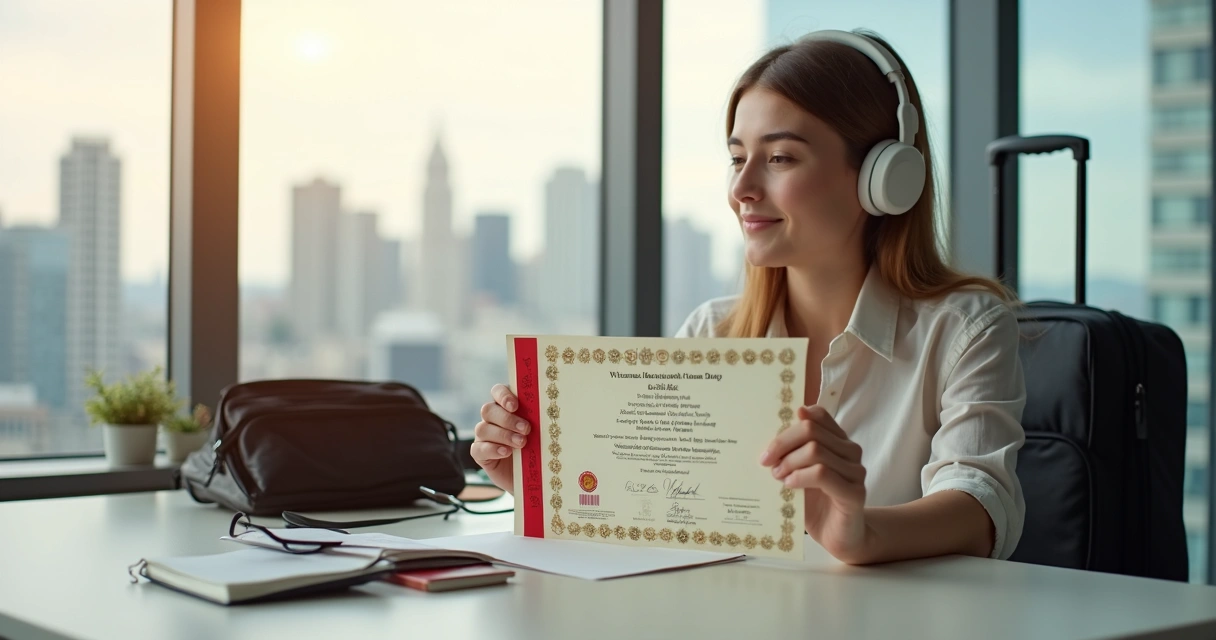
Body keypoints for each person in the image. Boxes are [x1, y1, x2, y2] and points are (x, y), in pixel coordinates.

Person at [471, 29, 1026, 566]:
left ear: (881, 177)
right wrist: (541, 484)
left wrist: (858, 534)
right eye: (738, 158)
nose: (741, 190)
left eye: (780, 158)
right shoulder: (711, 332)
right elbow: (660, 513)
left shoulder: (964, 329)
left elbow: (980, 505)